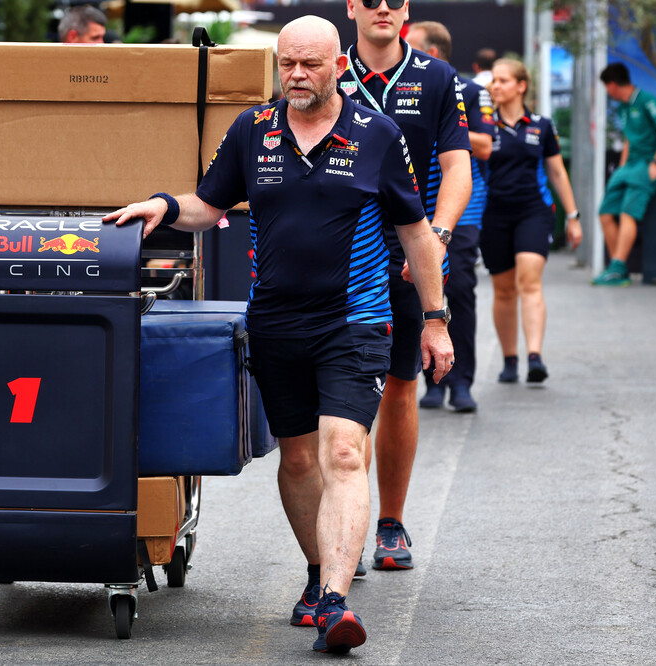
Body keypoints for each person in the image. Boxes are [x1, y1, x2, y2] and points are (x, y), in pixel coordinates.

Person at [104, 16, 453, 654]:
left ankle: (337, 605)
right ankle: (320, 573)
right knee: (296, 459)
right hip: (275, 321)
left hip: (354, 320)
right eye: (287, 63)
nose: (296, 75)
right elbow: (210, 206)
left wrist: (435, 319)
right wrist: (162, 205)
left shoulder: (379, 135)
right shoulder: (251, 130)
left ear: (337, 67)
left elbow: (415, 233)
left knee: (344, 452)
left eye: (310, 64)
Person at [338, 0, 471, 576]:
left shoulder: (438, 77)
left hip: (410, 249)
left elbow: (458, 166)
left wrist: (436, 240)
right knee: (341, 397)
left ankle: (390, 521)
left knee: (398, 385)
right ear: (352, 8)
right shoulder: (324, 69)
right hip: (338, 252)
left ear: (407, 9)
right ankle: (348, 528)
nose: (383, 7)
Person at [407, 22, 496, 413]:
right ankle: (431, 381)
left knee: (458, 290)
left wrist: (447, 127)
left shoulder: (473, 91)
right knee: (420, 295)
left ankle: (461, 382)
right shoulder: (398, 88)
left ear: (434, 54)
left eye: (411, 47)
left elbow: (486, 145)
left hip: (461, 213)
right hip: (413, 211)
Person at [483, 59, 582, 382]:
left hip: (534, 212)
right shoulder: (483, 127)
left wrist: (573, 216)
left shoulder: (541, 125)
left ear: (521, 86)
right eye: (494, 80)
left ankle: (535, 357)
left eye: (503, 80)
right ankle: (510, 359)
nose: (496, 86)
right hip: (493, 214)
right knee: (504, 290)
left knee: (529, 281)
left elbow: (557, 171)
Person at [593, 62, 656, 287]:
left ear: (611, 85)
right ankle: (617, 269)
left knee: (627, 213)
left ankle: (618, 266)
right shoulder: (623, 107)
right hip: (628, 167)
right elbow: (630, 137)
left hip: (647, 165)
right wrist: (621, 167)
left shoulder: (646, 99)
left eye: (606, 86)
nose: (607, 91)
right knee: (605, 213)